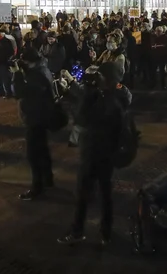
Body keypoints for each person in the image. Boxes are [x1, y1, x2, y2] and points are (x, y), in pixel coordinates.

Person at [57, 62, 131, 246]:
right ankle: (105, 233)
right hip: (106, 154)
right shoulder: (114, 96)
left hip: (94, 152)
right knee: (105, 194)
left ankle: (78, 231)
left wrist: (80, 94)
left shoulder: (106, 99)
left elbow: (84, 117)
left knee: (84, 194)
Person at [13, 50, 56, 200]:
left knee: (33, 155)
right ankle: (48, 179)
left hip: (36, 118)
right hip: (41, 116)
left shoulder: (37, 75)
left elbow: (21, 92)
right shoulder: (42, 70)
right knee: (43, 150)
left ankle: (37, 188)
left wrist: (17, 74)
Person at [0, 28, 15, 98]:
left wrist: (7, 59)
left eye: (0, 33)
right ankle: (1, 92)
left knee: (5, 79)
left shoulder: (6, 41)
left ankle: (8, 93)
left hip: (3, 62)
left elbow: (11, 51)